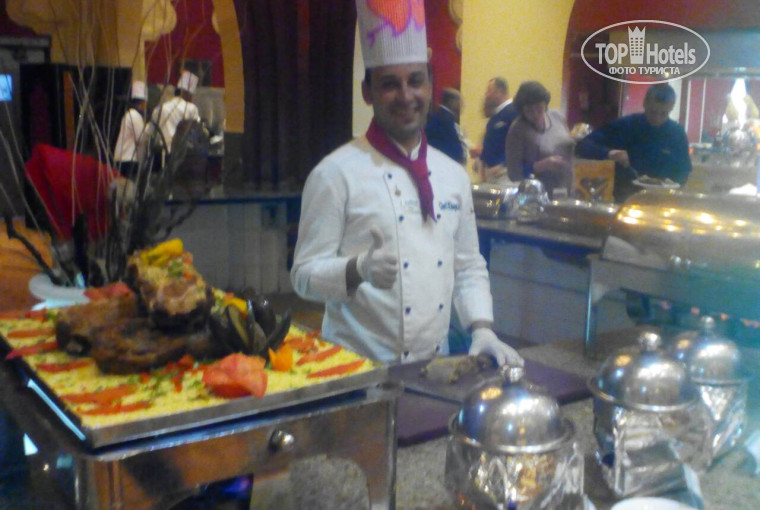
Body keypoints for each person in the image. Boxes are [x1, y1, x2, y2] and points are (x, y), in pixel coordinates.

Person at [290, 0, 522, 367]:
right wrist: (357, 269)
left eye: (415, 80)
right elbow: (303, 276)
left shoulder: (453, 176)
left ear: (429, 85)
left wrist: (482, 328)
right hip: (353, 369)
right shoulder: (334, 174)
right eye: (389, 84)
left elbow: (467, 265)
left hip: (433, 370)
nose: (406, 95)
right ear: (367, 92)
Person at [575, 83, 691, 202]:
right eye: (653, 112)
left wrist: (672, 189)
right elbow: (582, 146)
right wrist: (610, 153)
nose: (657, 118)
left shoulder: (677, 133)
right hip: (624, 198)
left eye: (664, 114)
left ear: (671, 108)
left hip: (662, 200)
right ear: (645, 103)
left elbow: (683, 172)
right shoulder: (626, 125)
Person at [505, 81, 574, 196]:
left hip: (567, 188)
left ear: (545, 103)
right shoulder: (517, 129)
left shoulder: (557, 117)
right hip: (538, 194)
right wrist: (542, 165)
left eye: (538, 107)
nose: (535, 114)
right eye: (529, 111)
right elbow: (514, 173)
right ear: (522, 111)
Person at [145, 70, 202, 156]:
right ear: (188, 94)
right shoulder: (191, 108)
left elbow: (148, 132)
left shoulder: (159, 109)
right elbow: (197, 130)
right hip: (179, 155)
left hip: (159, 154)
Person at [479, 77, 518, 182]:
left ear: (499, 92)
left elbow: (519, 143)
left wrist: (503, 164)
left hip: (504, 175)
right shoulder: (496, 115)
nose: (486, 95)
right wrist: (482, 161)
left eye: (489, 91)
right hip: (492, 173)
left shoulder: (513, 112)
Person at [113, 81, 147, 179]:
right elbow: (141, 138)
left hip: (122, 159)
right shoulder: (134, 115)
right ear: (142, 103)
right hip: (127, 160)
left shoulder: (129, 114)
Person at [425, 88, 467, 164]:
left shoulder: (436, 116)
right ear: (453, 102)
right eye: (460, 102)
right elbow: (456, 149)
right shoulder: (446, 120)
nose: (463, 106)